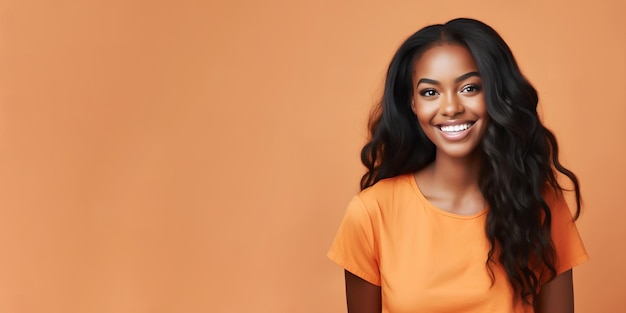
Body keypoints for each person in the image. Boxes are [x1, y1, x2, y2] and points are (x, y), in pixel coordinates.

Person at [327, 18, 588, 313]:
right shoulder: (371, 213)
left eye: (469, 88)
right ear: (412, 103)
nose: (450, 108)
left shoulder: (540, 205)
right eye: (430, 92)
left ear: (495, 94)